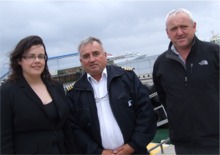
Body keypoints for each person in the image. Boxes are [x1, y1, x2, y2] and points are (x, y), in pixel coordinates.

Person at [66, 36, 157, 154]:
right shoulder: (74, 93)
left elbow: (146, 112)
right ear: (81, 61)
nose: (92, 59)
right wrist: (98, 152)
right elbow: (75, 130)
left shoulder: (127, 78)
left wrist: (133, 145)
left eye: (96, 53)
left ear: (105, 55)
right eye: (86, 56)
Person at [153, 8, 219, 154]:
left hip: (216, 140)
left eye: (184, 26)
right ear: (167, 33)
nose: (179, 32)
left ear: (194, 26)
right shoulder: (160, 64)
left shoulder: (215, 54)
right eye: (174, 28)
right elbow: (164, 99)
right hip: (183, 144)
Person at [0, 35, 76, 154]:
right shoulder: (7, 91)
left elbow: (67, 129)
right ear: (19, 60)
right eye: (31, 56)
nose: (37, 61)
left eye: (41, 56)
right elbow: (4, 138)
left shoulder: (56, 87)